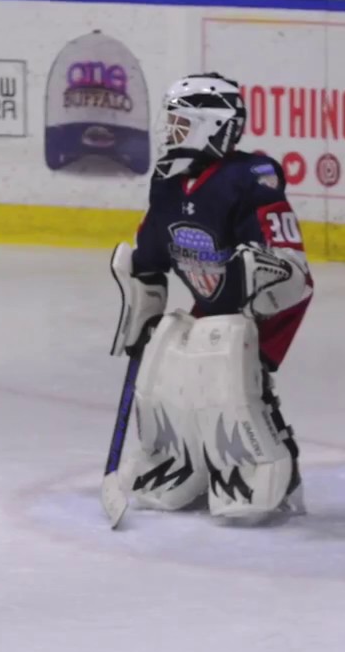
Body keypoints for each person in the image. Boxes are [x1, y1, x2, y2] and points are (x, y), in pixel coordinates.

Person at [109, 72, 312, 522]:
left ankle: (267, 468)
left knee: (225, 367)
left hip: (260, 306)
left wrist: (251, 279)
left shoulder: (250, 178)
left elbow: (292, 271)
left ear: (212, 126)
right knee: (167, 356)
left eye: (180, 123)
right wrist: (141, 311)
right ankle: (179, 464)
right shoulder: (167, 185)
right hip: (214, 303)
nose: (170, 132)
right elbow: (149, 259)